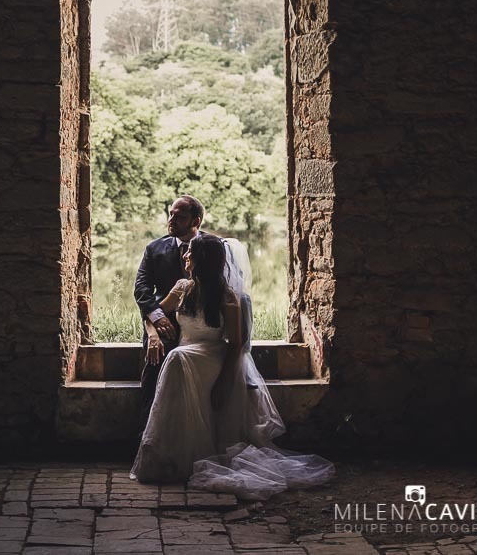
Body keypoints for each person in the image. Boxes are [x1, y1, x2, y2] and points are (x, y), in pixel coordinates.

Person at [130, 233, 334, 499]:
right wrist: (153, 334)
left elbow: (236, 344)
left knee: (177, 359)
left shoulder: (227, 297)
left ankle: (195, 457)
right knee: (177, 358)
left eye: (190, 252)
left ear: (202, 260)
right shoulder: (181, 288)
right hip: (186, 356)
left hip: (213, 357)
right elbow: (152, 313)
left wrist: (226, 382)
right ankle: (175, 458)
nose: (185, 255)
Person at [134, 196, 210, 418]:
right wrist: (157, 319)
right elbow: (142, 290)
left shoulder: (211, 246)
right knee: (156, 356)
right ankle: (148, 423)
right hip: (165, 319)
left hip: (203, 322)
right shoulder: (154, 248)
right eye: (171, 214)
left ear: (195, 221)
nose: (171, 220)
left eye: (180, 217)